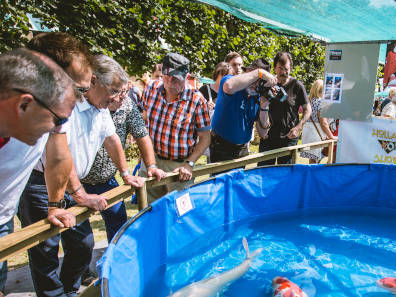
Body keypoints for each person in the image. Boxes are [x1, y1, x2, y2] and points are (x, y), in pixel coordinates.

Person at [18, 54, 145, 297]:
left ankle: (68, 289)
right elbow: (61, 157)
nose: (116, 98)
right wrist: (80, 193)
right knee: (46, 246)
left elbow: (112, 140)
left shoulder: (100, 108)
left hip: (70, 182)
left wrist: (124, 173)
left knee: (83, 244)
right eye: (113, 91)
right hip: (42, 182)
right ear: (94, 81)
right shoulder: (68, 106)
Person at [0, 48, 78, 297]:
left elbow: (58, 157)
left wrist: (55, 206)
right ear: (24, 104)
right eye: (58, 120)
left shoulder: (26, 130)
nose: (59, 129)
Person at [81, 82, 166, 244]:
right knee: (81, 240)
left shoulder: (126, 105)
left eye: (125, 91)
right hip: (77, 182)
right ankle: (81, 269)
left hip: (106, 179)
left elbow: (141, 134)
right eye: (119, 92)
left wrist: (151, 166)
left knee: (118, 225)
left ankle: (115, 265)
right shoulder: (86, 104)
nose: (124, 96)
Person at [140, 52, 211, 203]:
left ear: (186, 78)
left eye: (176, 79)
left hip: (179, 167)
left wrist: (189, 164)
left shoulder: (197, 100)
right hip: (151, 161)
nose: (170, 83)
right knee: (149, 209)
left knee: (179, 211)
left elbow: (205, 138)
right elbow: (144, 120)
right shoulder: (151, 89)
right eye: (166, 77)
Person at [210, 58, 276, 162]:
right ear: (248, 73)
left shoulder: (257, 97)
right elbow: (229, 86)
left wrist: (264, 105)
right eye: (255, 78)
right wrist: (259, 73)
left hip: (243, 150)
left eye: (261, 81)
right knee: (221, 178)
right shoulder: (229, 79)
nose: (256, 83)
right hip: (221, 147)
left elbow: (263, 133)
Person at [258, 52, 311, 166]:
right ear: (275, 68)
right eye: (280, 68)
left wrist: (299, 127)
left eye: (286, 69)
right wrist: (260, 127)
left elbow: (308, 109)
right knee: (264, 173)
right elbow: (258, 107)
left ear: (291, 68)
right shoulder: (266, 84)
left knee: (286, 173)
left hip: (288, 138)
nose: (283, 72)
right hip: (268, 137)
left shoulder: (297, 86)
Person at [299, 79, 336, 164]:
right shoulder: (321, 102)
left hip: (308, 132)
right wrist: (331, 136)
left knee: (312, 159)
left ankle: (311, 176)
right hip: (317, 133)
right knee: (316, 159)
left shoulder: (308, 101)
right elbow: (323, 122)